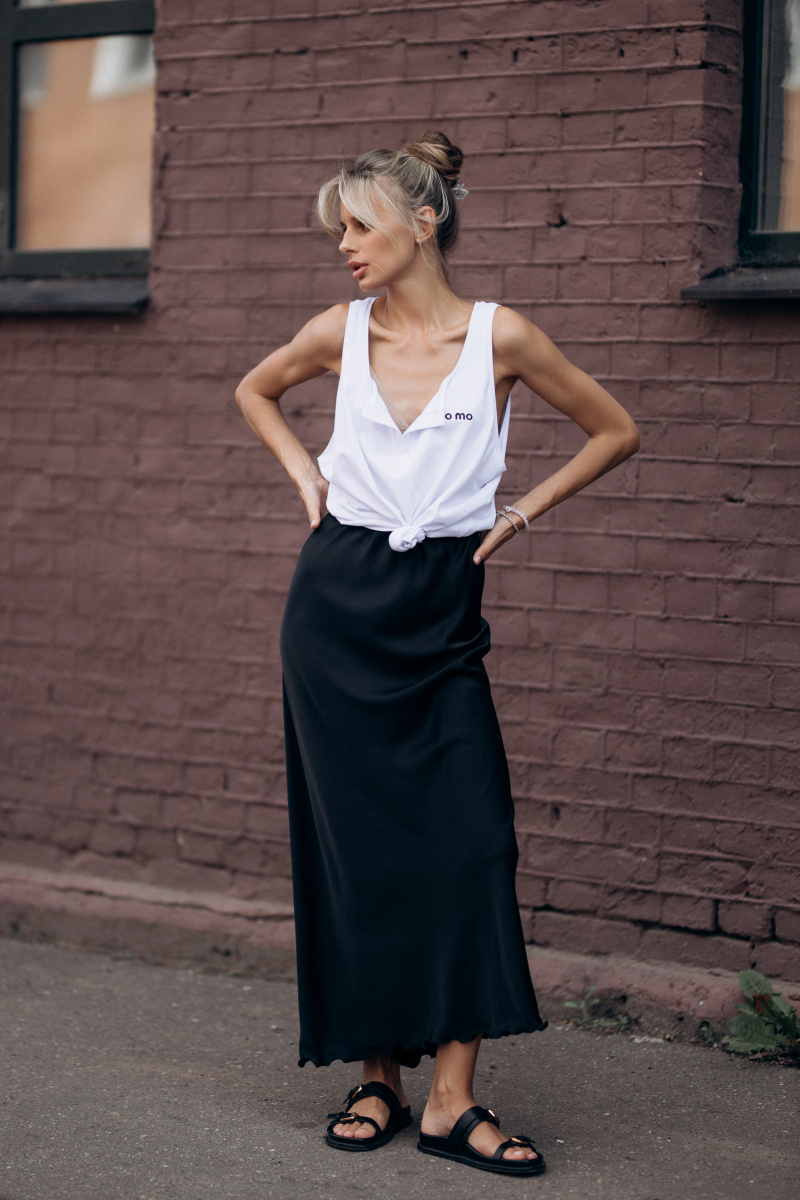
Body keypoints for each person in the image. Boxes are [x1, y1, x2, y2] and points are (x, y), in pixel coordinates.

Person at [235, 131, 639, 1178]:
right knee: (359, 850)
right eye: (338, 230)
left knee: (471, 843)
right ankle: (379, 1077)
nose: (344, 246)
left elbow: (613, 430)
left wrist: (520, 513)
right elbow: (254, 390)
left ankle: (452, 1102)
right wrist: (304, 476)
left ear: (424, 224)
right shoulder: (336, 332)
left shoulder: (501, 337)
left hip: (440, 614)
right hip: (336, 610)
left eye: (358, 226)